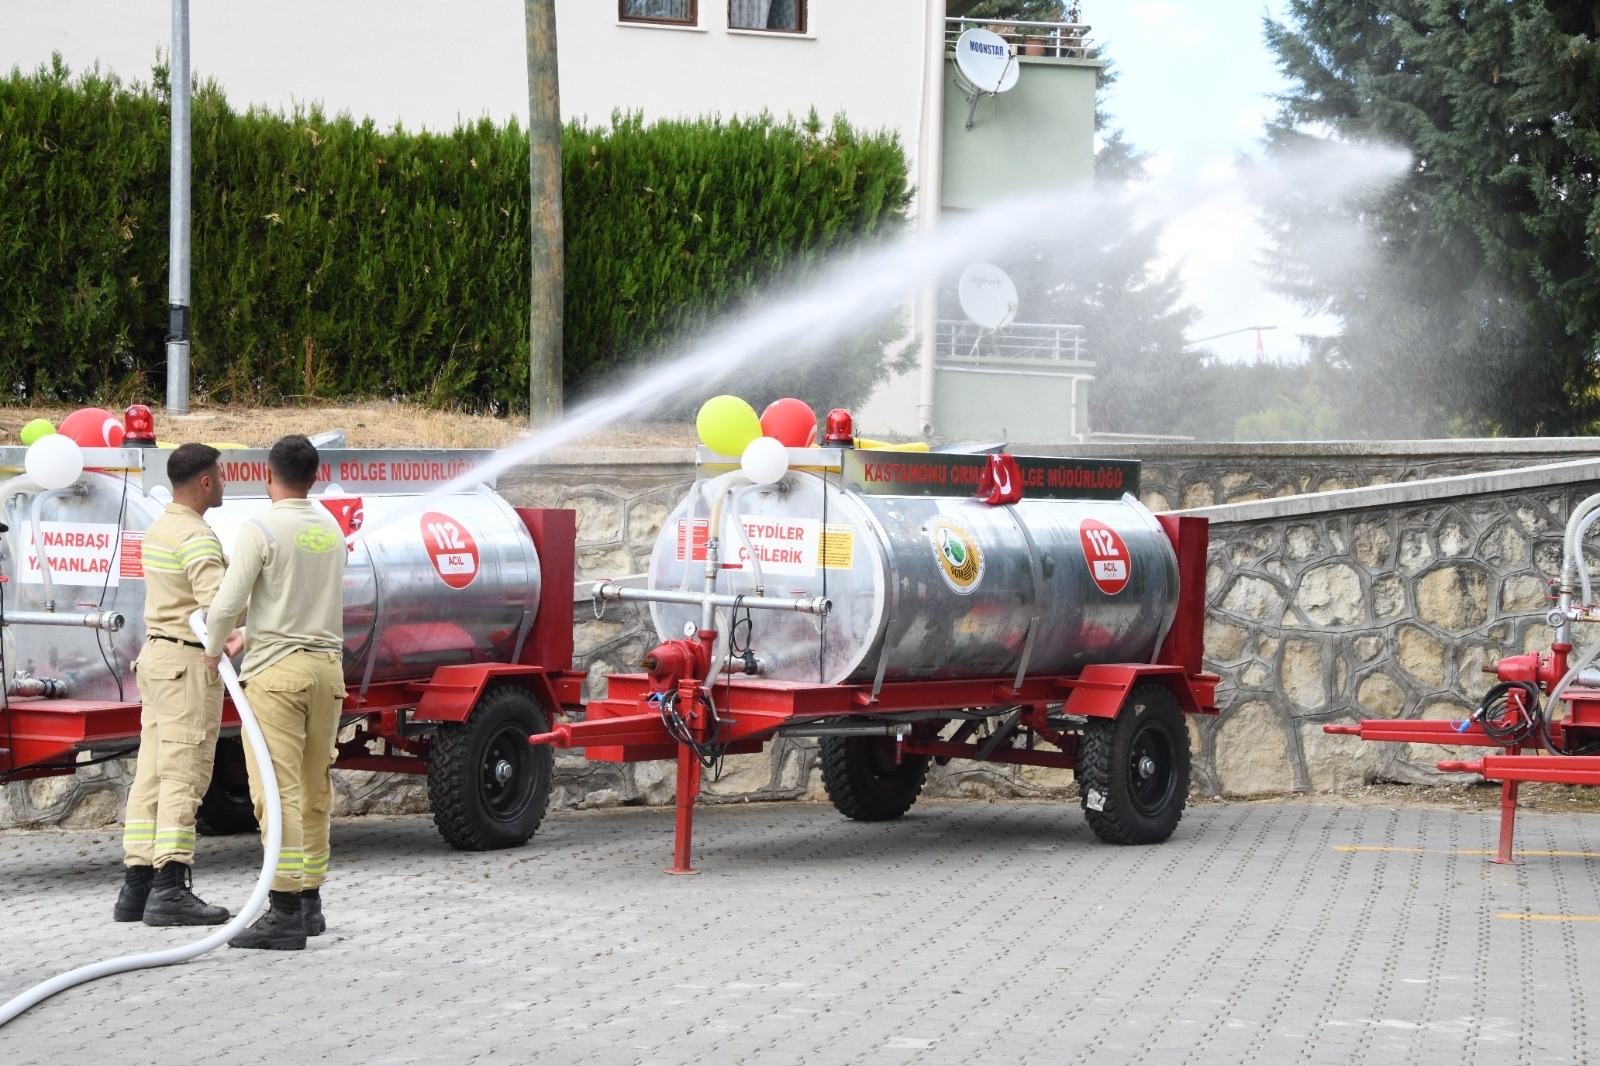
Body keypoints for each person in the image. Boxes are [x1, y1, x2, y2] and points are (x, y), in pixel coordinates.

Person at [202, 435, 347, 951]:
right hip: (328, 673)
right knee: (314, 787)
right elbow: (302, 601)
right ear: (314, 477)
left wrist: (215, 644)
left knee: (274, 791)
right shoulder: (330, 529)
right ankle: (309, 901)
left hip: (277, 678)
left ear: (269, 476)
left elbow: (225, 604)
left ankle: (282, 910)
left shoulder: (259, 528)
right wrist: (256, 632)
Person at [116, 443, 243, 926]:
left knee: (151, 770)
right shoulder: (196, 537)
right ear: (206, 482)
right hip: (187, 663)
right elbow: (218, 607)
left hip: (157, 656)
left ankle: (137, 885)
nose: (226, 483)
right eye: (222, 476)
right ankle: (171, 886)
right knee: (184, 773)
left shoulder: (160, 527)